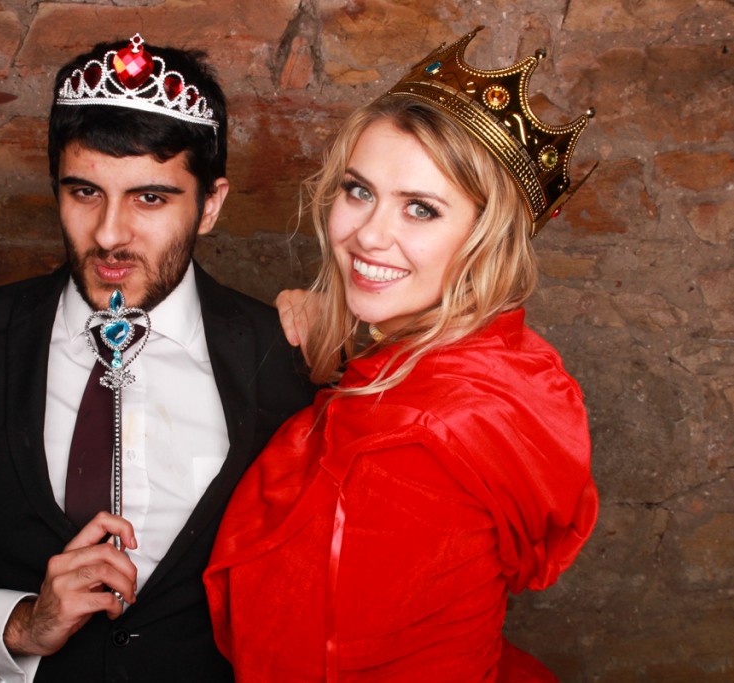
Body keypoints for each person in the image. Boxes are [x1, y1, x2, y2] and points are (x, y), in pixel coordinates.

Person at [0, 35, 316, 682]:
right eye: (85, 192)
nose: (111, 233)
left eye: (151, 198)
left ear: (211, 204)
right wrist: (21, 624)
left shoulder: (287, 356)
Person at [204, 26, 599, 681]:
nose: (368, 234)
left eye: (420, 208)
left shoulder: (418, 445)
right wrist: (330, 346)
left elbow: (317, 647)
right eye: (358, 191)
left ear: (487, 239)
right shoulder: (504, 368)